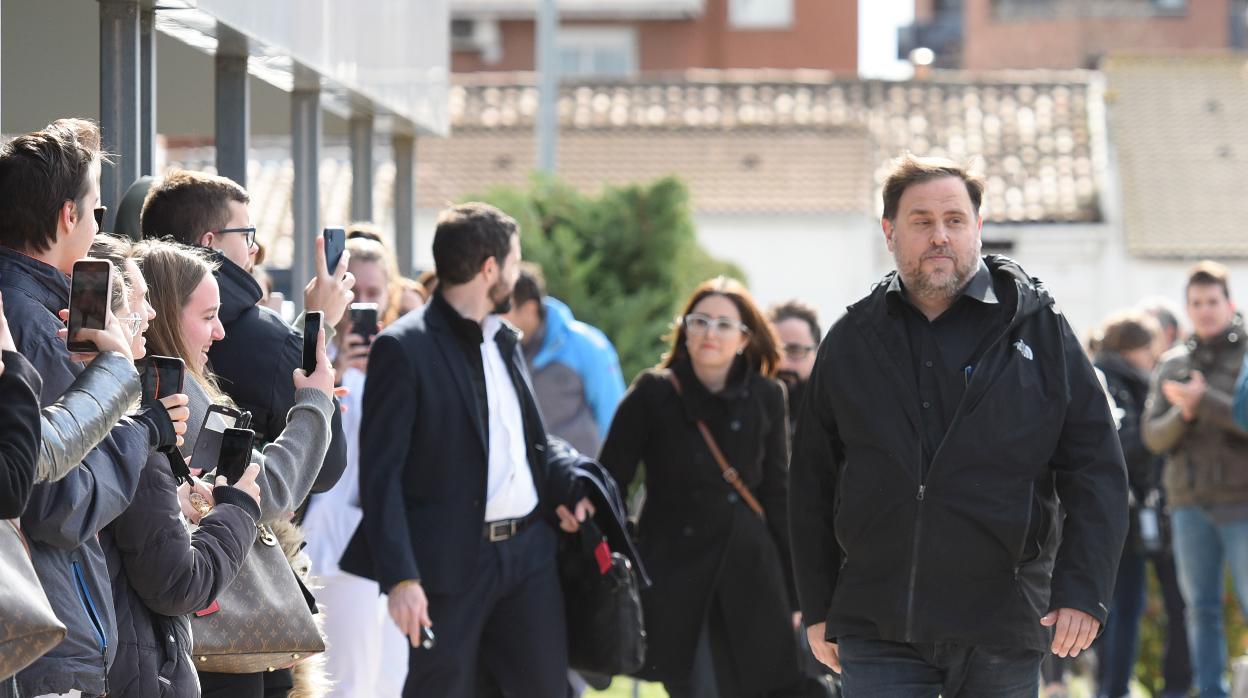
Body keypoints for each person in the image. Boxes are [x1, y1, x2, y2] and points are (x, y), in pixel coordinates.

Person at [789, 155, 1128, 697]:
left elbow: (1096, 469)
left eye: (954, 220)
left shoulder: (1040, 331)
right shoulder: (852, 339)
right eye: (921, 221)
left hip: (1003, 619)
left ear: (978, 226)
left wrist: (1084, 590)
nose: (940, 236)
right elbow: (811, 480)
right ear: (889, 231)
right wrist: (818, 602)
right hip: (878, 619)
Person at [339, 202, 593, 697]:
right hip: (448, 566)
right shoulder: (403, 347)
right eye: (514, 262)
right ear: (490, 268)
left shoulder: (505, 339)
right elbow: (381, 475)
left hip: (529, 557)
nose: (517, 276)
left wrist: (571, 484)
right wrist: (402, 578)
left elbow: (528, 442)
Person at [0, 118, 190, 698]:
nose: (99, 226)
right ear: (68, 215)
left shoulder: (33, 310)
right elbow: (57, 503)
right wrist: (139, 427)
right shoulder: (34, 324)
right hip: (45, 639)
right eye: (96, 210)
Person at [130, 240, 338, 698]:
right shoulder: (176, 392)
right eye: (208, 316)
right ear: (164, 316)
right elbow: (271, 487)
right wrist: (315, 402)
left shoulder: (166, 384)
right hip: (214, 637)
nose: (220, 332)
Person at [598, 277, 822, 697]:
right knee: (695, 686)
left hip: (752, 573)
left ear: (744, 338)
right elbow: (610, 481)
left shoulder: (766, 396)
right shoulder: (653, 393)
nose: (709, 333)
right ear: (685, 330)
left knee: (762, 686)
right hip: (674, 573)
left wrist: (797, 595)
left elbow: (777, 495)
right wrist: (629, 553)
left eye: (723, 324)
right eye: (699, 321)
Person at [139, 169, 351, 496]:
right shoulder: (176, 385)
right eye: (246, 234)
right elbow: (291, 481)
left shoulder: (161, 367)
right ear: (209, 243)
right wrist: (315, 401)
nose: (255, 248)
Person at [303, 234, 409, 697]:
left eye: (373, 292)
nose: (363, 302)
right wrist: (339, 372)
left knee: (381, 676)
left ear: (391, 293)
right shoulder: (317, 355)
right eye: (354, 290)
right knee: (335, 678)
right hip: (324, 535)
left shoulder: (404, 355)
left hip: (379, 538)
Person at [1143, 261, 1248, 698]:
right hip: (1188, 506)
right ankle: (1211, 692)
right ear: (1187, 308)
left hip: (1242, 503)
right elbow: (1152, 436)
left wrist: (1205, 401)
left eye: (1212, 301)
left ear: (1229, 304)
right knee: (1199, 610)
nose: (1205, 310)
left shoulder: (1246, 358)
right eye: (1196, 303)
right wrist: (1183, 413)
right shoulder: (1172, 363)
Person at [1093, 311, 1191, 698]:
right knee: (1125, 605)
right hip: (1125, 511)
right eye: (1152, 351)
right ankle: (1115, 688)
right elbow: (1128, 445)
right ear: (1133, 349)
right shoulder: (1116, 383)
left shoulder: (1103, 376)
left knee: (1115, 606)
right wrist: (1159, 432)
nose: (1155, 359)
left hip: (1117, 511)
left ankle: (1112, 687)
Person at [503, 262, 625, 456]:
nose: (497, 316)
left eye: (505, 309)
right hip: (530, 471)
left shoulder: (587, 345)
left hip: (581, 469)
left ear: (529, 308)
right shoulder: (503, 350)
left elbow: (613, 416)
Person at [768, 300, 822, 434]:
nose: (782, 363)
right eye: (774, 351)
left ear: (818, 353)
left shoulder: (838, 417)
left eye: (795, 351)